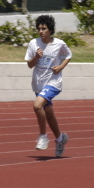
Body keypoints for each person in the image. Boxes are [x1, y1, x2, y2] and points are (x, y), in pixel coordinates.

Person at [25, 15, 72, 157]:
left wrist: (61, 67)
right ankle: (60, 139)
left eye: (44, 28)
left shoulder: (59, 44)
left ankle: (43, 136)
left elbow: (68, 55)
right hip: (38, 84)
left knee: (37, 105)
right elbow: (29, 65)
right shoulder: (34, 43)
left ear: (50, 30)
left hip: (53, 82)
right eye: (39, 28)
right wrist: (36, 57)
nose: (41, 31)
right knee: (49, 114)